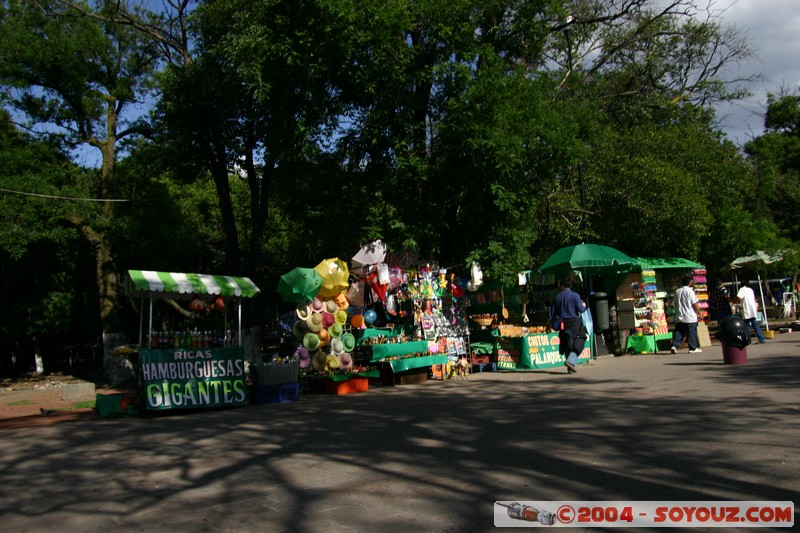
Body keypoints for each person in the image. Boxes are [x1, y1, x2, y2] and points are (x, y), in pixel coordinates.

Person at [548, 279, 587, 374]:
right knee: (579, 341)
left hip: (562, 324)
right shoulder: (575, 296)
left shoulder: (557, 297)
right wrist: (584, 305)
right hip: (574, 323)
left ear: (562, 286)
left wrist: (548, 324)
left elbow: (551, 313)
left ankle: (570, 368)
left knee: (566, 343)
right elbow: (581, 309)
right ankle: (570, 361)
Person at [670, 275, 704, 354]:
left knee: (679, 332)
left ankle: (674, 346)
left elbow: (674, 302)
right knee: (691, 332)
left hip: (680, 315)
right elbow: (694, 303)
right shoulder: (690, 291)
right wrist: (699, 313)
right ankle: (692, 348)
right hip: (690, 316)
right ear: (690, 282)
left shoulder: (678, 291)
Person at [737, 280, 767, 344]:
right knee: (754, 323)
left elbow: (739, 296)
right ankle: (761, 338)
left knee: (746, 325)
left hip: (746, 309)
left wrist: (739, 301)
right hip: (752, 308)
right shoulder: (750, 289)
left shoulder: (742, 289)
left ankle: (746, 339)